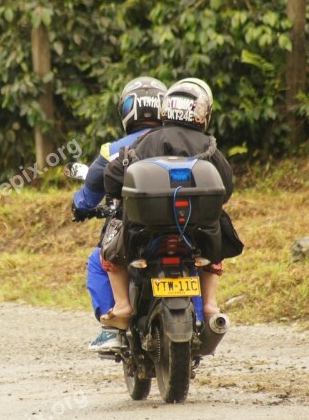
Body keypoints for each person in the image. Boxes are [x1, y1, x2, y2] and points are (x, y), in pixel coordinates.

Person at [100, 78, 240, 330]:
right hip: (198, 233)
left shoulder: (144, 142)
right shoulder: (209, 146)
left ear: (167, 108)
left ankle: (122, 306)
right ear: (202, 113)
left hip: (142, 231)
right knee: (216, 230)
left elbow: (112, 177)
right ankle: (209, 304)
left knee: (110, 241)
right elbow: (226, 187)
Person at [72, 76, 166, 351]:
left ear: (127, 111)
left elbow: (90, 192)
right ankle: (202, 315)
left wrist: (80, 206)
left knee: (98, 260)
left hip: (135, 233)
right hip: (183, 226)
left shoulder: (113, 149)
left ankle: (113, 328)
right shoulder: (181, 141)